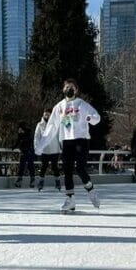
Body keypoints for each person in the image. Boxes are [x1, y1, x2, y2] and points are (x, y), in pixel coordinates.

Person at [35, 78, 101, 213]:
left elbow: (96, 117)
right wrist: (41, 146)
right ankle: (70, 199)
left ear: (76, 90)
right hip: (67, 141)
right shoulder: (58, 107)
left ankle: (91, 190)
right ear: (63, 90)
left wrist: (90, 118)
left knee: (80, 169)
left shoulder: (82, 104)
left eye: (71, 87)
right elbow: (51, 128)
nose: (69, 89)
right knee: (67, 170)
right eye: (66, 87)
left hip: (81, 140)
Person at [34, 109, 61, 191]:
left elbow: (60, 136)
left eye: (48, 115)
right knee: (43, 167)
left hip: (55, 149)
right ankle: (41, 182)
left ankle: (57, 182)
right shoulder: (40, 125)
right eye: (45, 114)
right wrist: (37, 147)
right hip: (45, 150)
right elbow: (37, 137)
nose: (46, 116)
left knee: (55, 166)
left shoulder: (55, 124)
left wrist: (62, 146)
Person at [12, 121, 36, 188]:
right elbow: (19, 140)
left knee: (30, 165)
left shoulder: (28, 131)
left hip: (29, 151)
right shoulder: (20, 132)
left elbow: (28, 139)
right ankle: (19, 180)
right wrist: (14, 147)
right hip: (23, 151)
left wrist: (22, 133)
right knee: (22, 166)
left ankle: (32, 180)